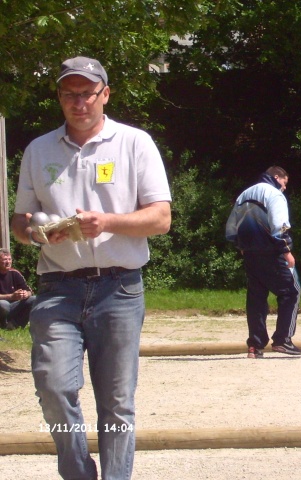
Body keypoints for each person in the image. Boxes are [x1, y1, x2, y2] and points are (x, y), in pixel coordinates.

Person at [11, 56, 172, 480]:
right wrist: (37, 234)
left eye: (87, 93)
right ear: (60, 98)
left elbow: (160, 218)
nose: (78, 102)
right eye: (69, 94)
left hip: (119, 289)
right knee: (54, 386)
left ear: (105, 95)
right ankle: (79, 472)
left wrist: (108, 223)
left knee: (117, 401)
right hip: (57, 289)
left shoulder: (135, 143)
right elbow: (19, 222)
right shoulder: (38, 149)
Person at [225, 166, 301, 358]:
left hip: (250, 254)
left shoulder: (244, 194)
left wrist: (240, 246)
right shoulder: (274, 194)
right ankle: (283, 340)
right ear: (276, 177)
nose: (284, 188)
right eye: (284, 183)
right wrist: (286, 251)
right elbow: (280, 226)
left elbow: (231, 227)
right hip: (271, 252)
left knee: (256, 299)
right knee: (291, 293)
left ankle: (255, 346)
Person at [0, 248, 36, 330]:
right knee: (3, 304)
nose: (8, 262)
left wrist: (26, 294)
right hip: (3, 306)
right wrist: (11, 296)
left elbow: (29, 291)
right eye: (5, 259)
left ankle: (14, 325)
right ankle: (2, 324)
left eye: (9, 259)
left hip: (14, 306)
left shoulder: (15, 273)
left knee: (34, 299)